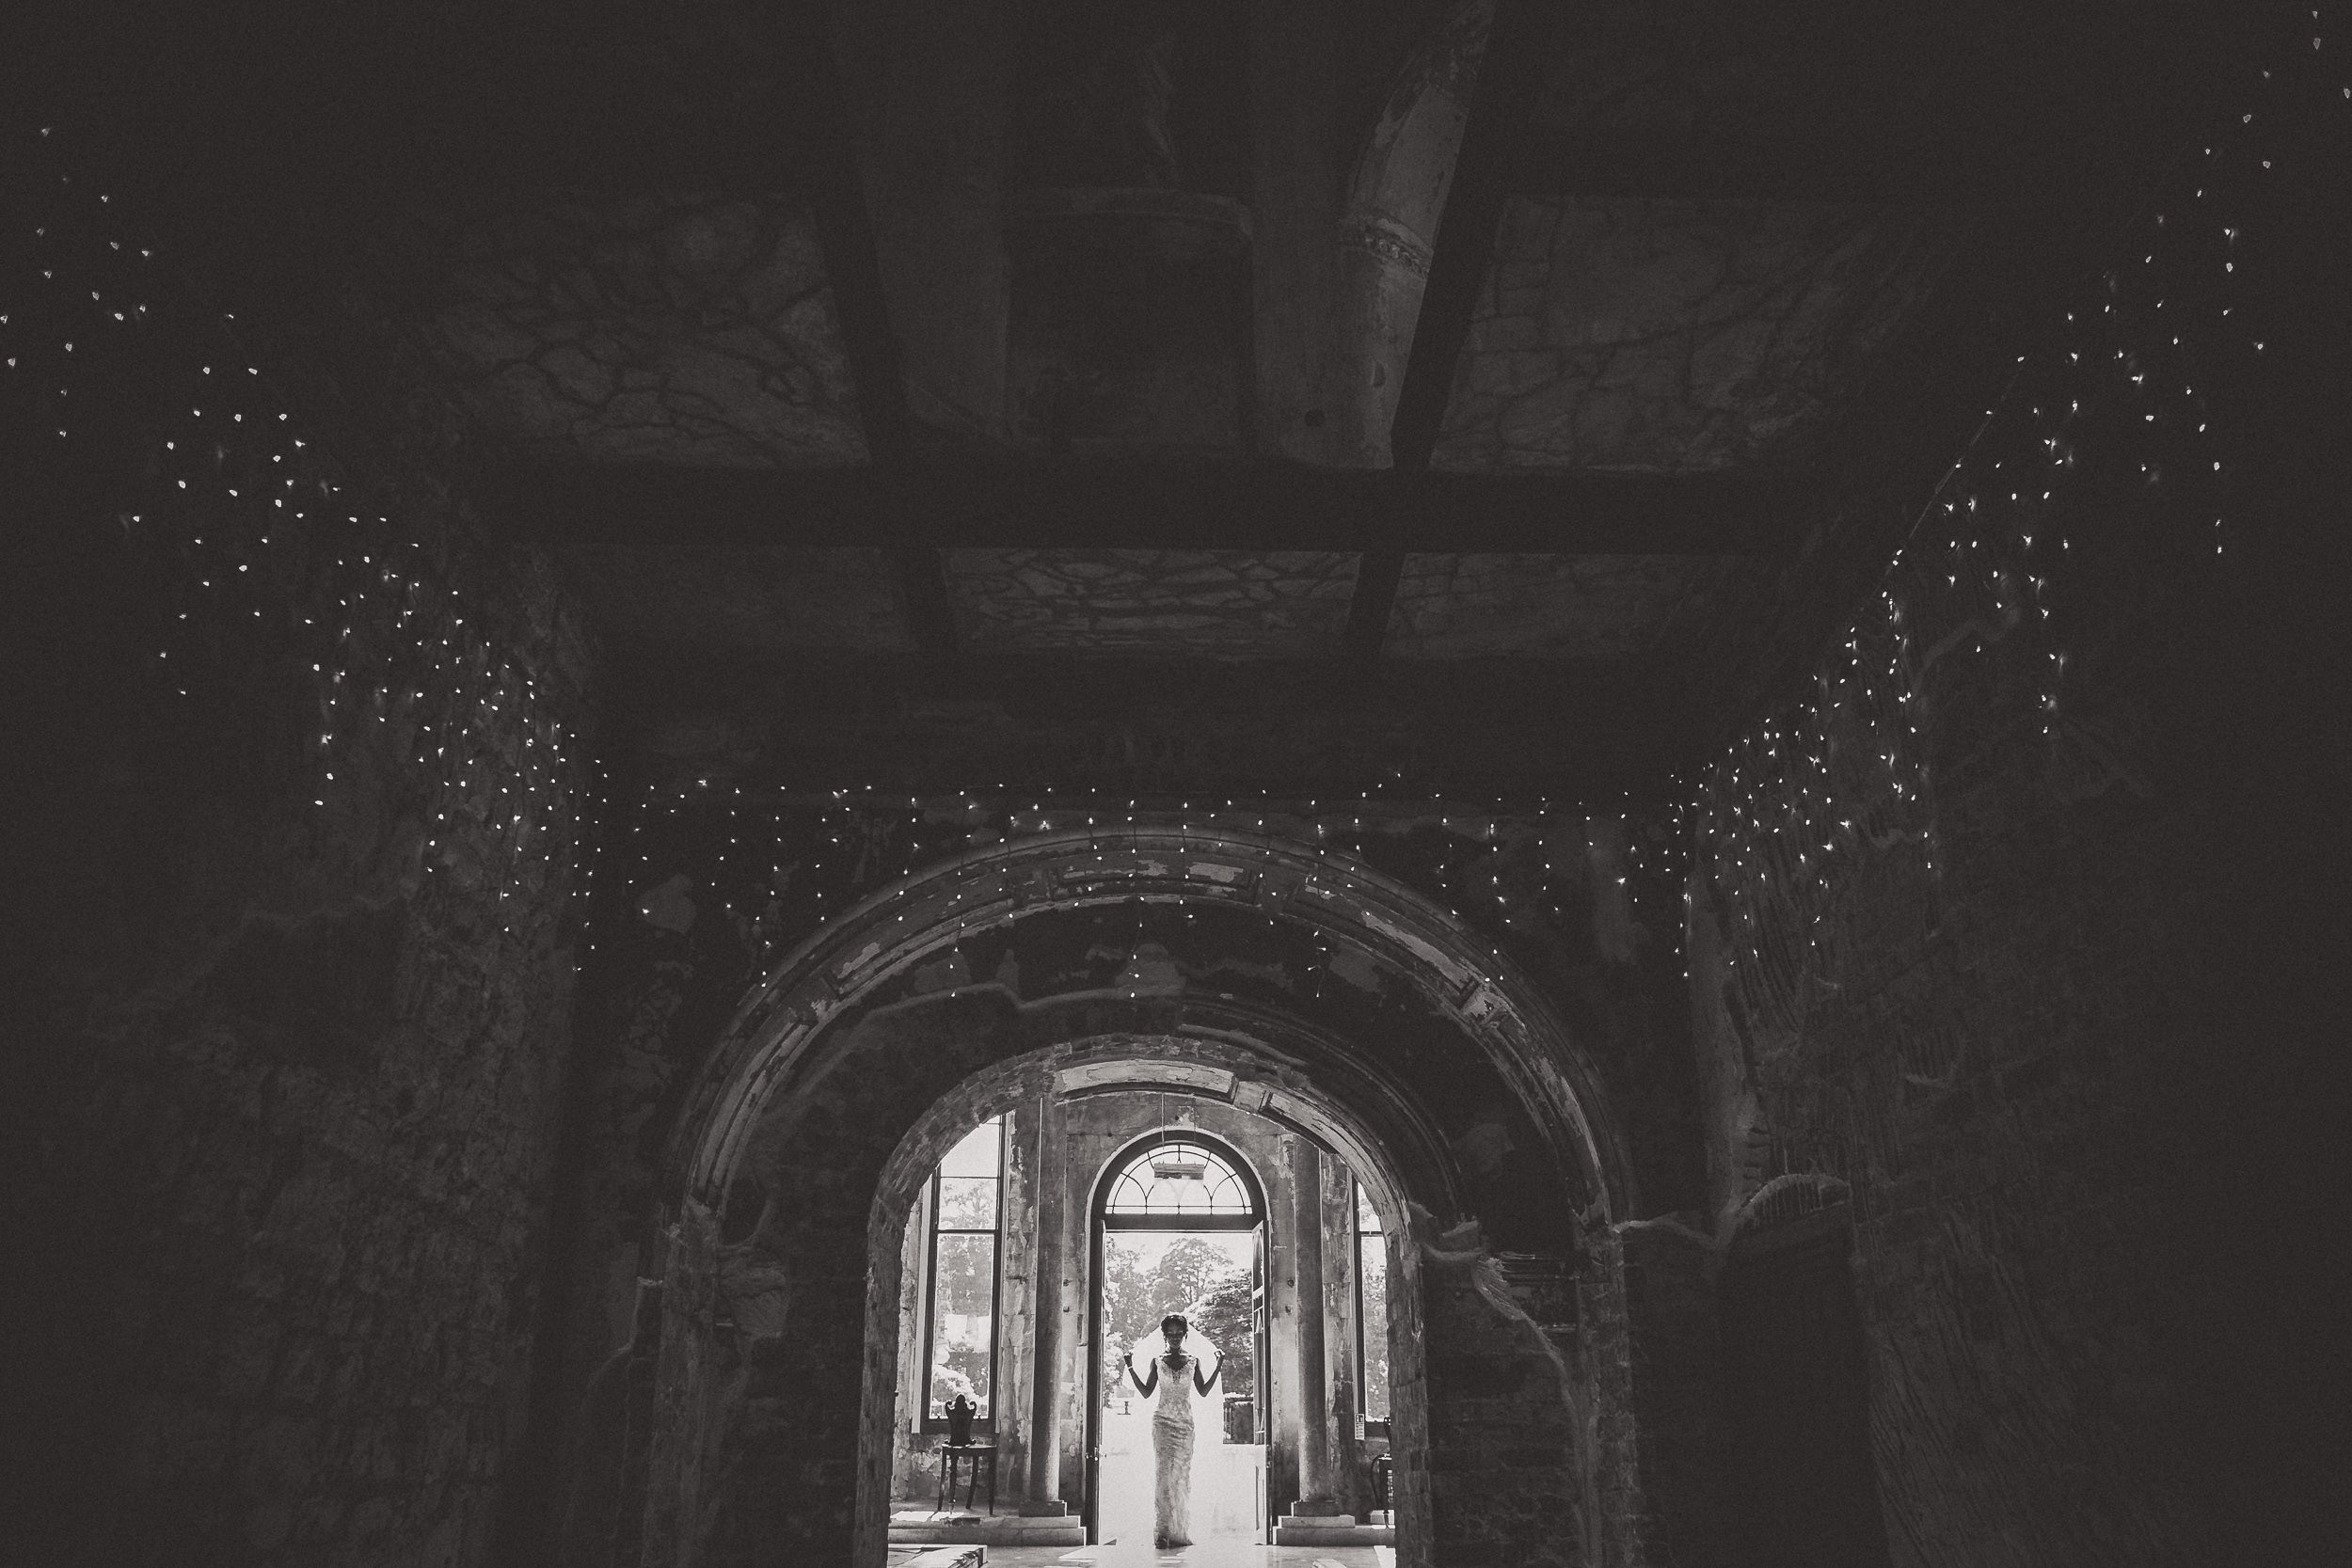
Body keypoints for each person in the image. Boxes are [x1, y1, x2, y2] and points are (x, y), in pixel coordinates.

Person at [1123, 1312, 1221, 1548]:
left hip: (1185, 1424)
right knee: (1164, 1477)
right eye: (1171, 1334)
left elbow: (1204, 1391)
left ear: (1185, 1335)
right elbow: (1146, 1392)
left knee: (1181, 1478)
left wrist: (1218, 1366)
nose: (1175, 1338)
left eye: (1179, 1334)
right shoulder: (1157, 1361)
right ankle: (1163, 1532)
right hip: (1162, 1422)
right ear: (1164, 1336)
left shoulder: (1193, 1361)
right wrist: (1130, 1367)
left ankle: (1179, 1532)